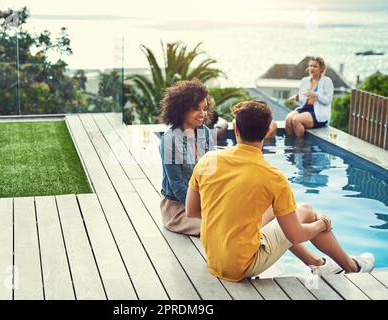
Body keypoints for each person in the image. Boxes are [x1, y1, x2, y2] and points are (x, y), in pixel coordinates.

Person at [186, 100, 375, 282]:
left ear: (236, 130)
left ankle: (317, 264)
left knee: (279, 214)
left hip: (214, 258)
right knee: (307, 211)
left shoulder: (208, 160)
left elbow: (192, 211)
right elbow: (296, 235)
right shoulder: (272, 176)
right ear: (268, 131)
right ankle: (352, 267)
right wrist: (322, 224)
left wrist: (229, 218)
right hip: (242, 265)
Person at [158, 79, 215, 236]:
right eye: (196, 109)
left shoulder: (205, 133)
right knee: (217, 227)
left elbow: (212, 175)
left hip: (204, 202)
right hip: (178, 208)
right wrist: (203, 208)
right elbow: (177, 186)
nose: (202, 114)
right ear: (182, 110)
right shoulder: (170, 140)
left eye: (204, 109)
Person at [285, 57, 334, 137]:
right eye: (310, 66)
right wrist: (298, 98)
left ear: (321, 69)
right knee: (288, 119)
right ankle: (291, 144)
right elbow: (302, 101)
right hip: (304, 108)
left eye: (315, 66)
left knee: (296, 120)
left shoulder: (327, 81)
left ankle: (299, 146)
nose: (312, 68)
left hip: (318, 113)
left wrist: (315, 95)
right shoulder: (305, 81)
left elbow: (328, 100)